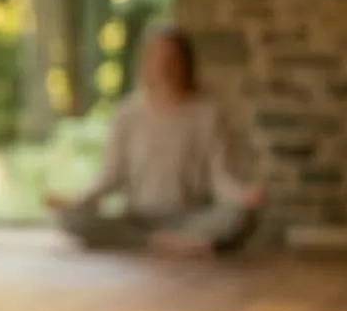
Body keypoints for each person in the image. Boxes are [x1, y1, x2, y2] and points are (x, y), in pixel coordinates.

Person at [45, 24, 263, 256]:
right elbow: (110, 176)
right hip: (138, 219)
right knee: (71, 221)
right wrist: (76, 202)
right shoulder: (127, 113)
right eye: (156, 58)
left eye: (171, 59)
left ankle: (176, 240)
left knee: (239, 216)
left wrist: (242, 196)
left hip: (190, 217)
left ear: (186, 64)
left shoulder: (207, 115)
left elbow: (220, 177)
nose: (164, 66)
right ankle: (163, 243)